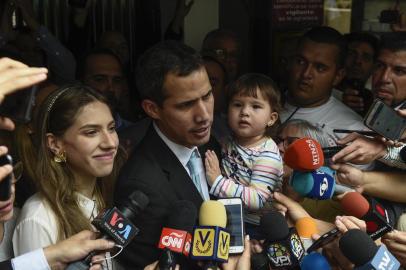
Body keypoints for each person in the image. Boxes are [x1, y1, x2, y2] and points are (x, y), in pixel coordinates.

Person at [0, 57, 114, 270]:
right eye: (91, 132)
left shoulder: (102, 198)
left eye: (112, 128)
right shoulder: (38, 217)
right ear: (55, 144)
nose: (110, 143)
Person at [114, 40, 219, 268]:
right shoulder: (140, 186)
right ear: (152, 109)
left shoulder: (210, 144)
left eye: (207, 96)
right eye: (186, 105)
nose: (204, 115)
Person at [205, 73, 283, 229]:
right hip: (229, 217)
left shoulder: (267, 154)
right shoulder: (228, 141)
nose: (245, 112)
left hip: (256, 225)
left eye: (255, 106)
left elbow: (257, 199)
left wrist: (217, 182)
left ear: (271, 118)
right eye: (238, 104)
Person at [280, 26, 368, 142]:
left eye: (320, 68)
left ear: (338, 76)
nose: (306, 74)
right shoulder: (260, 105)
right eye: (301, 62)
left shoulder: (352, 132)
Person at [276, 119, 343, 223]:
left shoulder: (328, 207)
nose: (279, 147)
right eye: (279, 140)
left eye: (291, 143)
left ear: (316, 157)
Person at [338, 32, 379, 115]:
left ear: (373, 66)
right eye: (352, 54)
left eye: (366, 57)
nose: (358, 61)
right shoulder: (322, 95)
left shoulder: (375, 100)